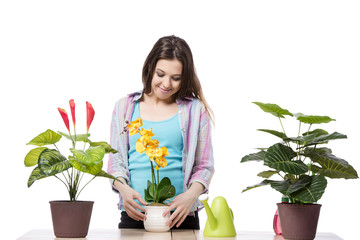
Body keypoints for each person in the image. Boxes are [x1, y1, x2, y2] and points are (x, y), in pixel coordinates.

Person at [107, 35, 214, 229]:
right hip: (135, 215)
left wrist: (189, 197)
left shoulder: (195, 111)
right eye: (160, 74)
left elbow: (204, 167)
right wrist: (123, 190)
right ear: (150, 68)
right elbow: (116, 162)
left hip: (182, 217)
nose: (166, 84)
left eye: (176, 78)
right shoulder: (124, 108)